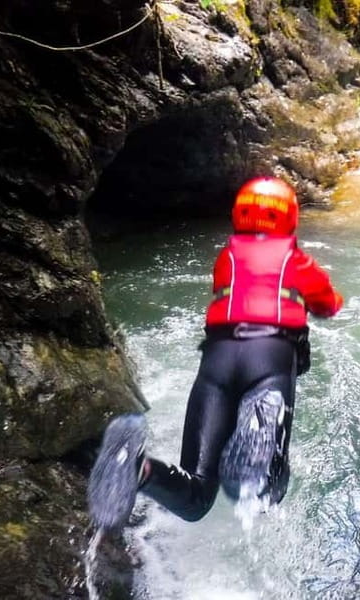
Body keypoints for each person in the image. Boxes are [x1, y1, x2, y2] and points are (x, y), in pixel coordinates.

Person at [87, 176, 344, 531]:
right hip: (270, 357)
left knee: (196, 495)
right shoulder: (297, 261)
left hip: (217, 361)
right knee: (263, 492)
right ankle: (254, 448)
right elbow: (328, 304)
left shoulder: (226, 257)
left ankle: (140, 470)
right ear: (289, 218)